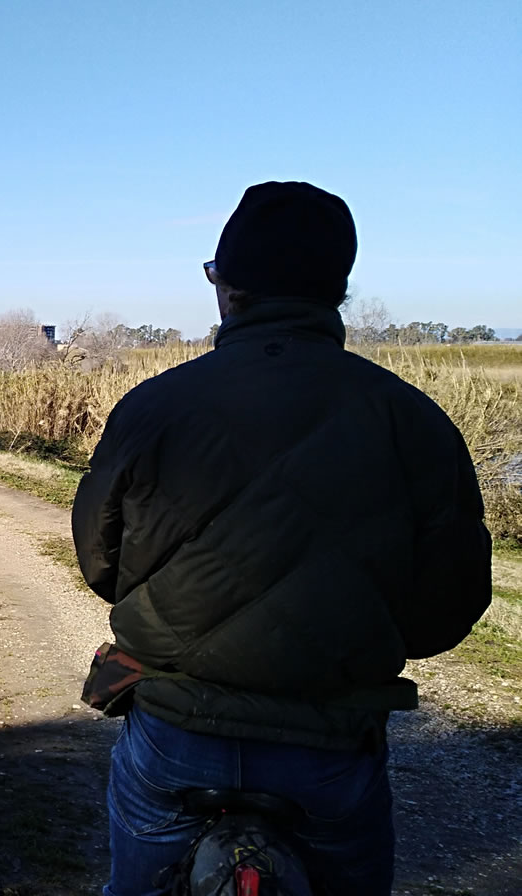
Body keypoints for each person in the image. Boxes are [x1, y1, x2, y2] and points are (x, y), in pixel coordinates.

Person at [72, 181, 492, 895]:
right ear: (338, 292)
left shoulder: (152, 407)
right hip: (329, 744)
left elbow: (100, 564)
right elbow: (446, 609)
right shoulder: (412, 419)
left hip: (178, 731)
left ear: (227, 288)